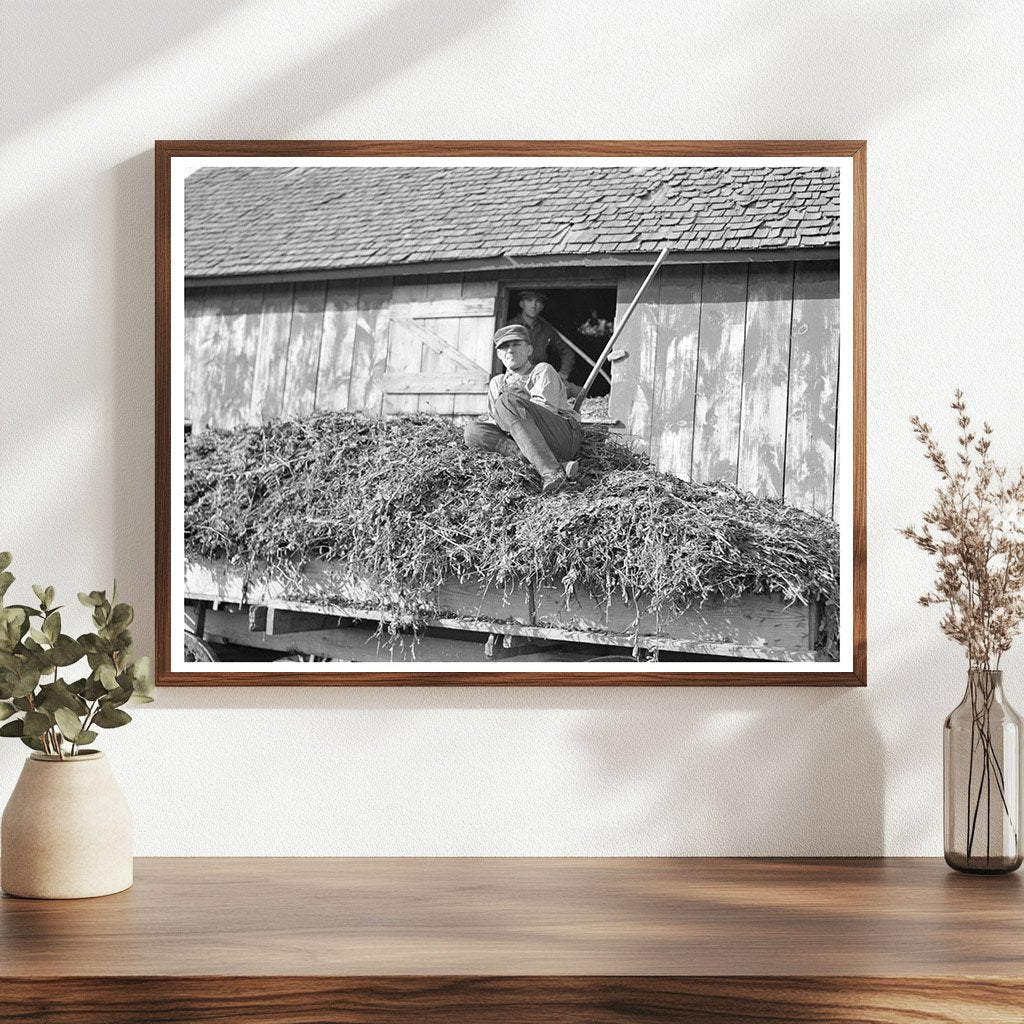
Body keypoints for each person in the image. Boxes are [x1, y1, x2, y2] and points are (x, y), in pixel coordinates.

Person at [464, 324, 581, 495]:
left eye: (516, 344)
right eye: (504, 346)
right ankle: (554, 464)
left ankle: (552, 473)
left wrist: (513, 401)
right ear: (499, 354)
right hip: (525, 441)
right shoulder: (497, 382)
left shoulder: (542, 370)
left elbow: (546, 411)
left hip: (561, 436)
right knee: (472, 431)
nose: (510, 350)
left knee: (506, 401)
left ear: (529, 350)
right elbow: (494, 421)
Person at [507, 290, 581, 398]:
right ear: (521, 304)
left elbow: (567, 352)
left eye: (538, 302)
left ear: (542, 306)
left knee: (578, 392)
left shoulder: (546, 329)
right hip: (517, 377)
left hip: (541, 376)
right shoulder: (511, 327)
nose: (533, 305)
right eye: (529, 300)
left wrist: (563, 373)